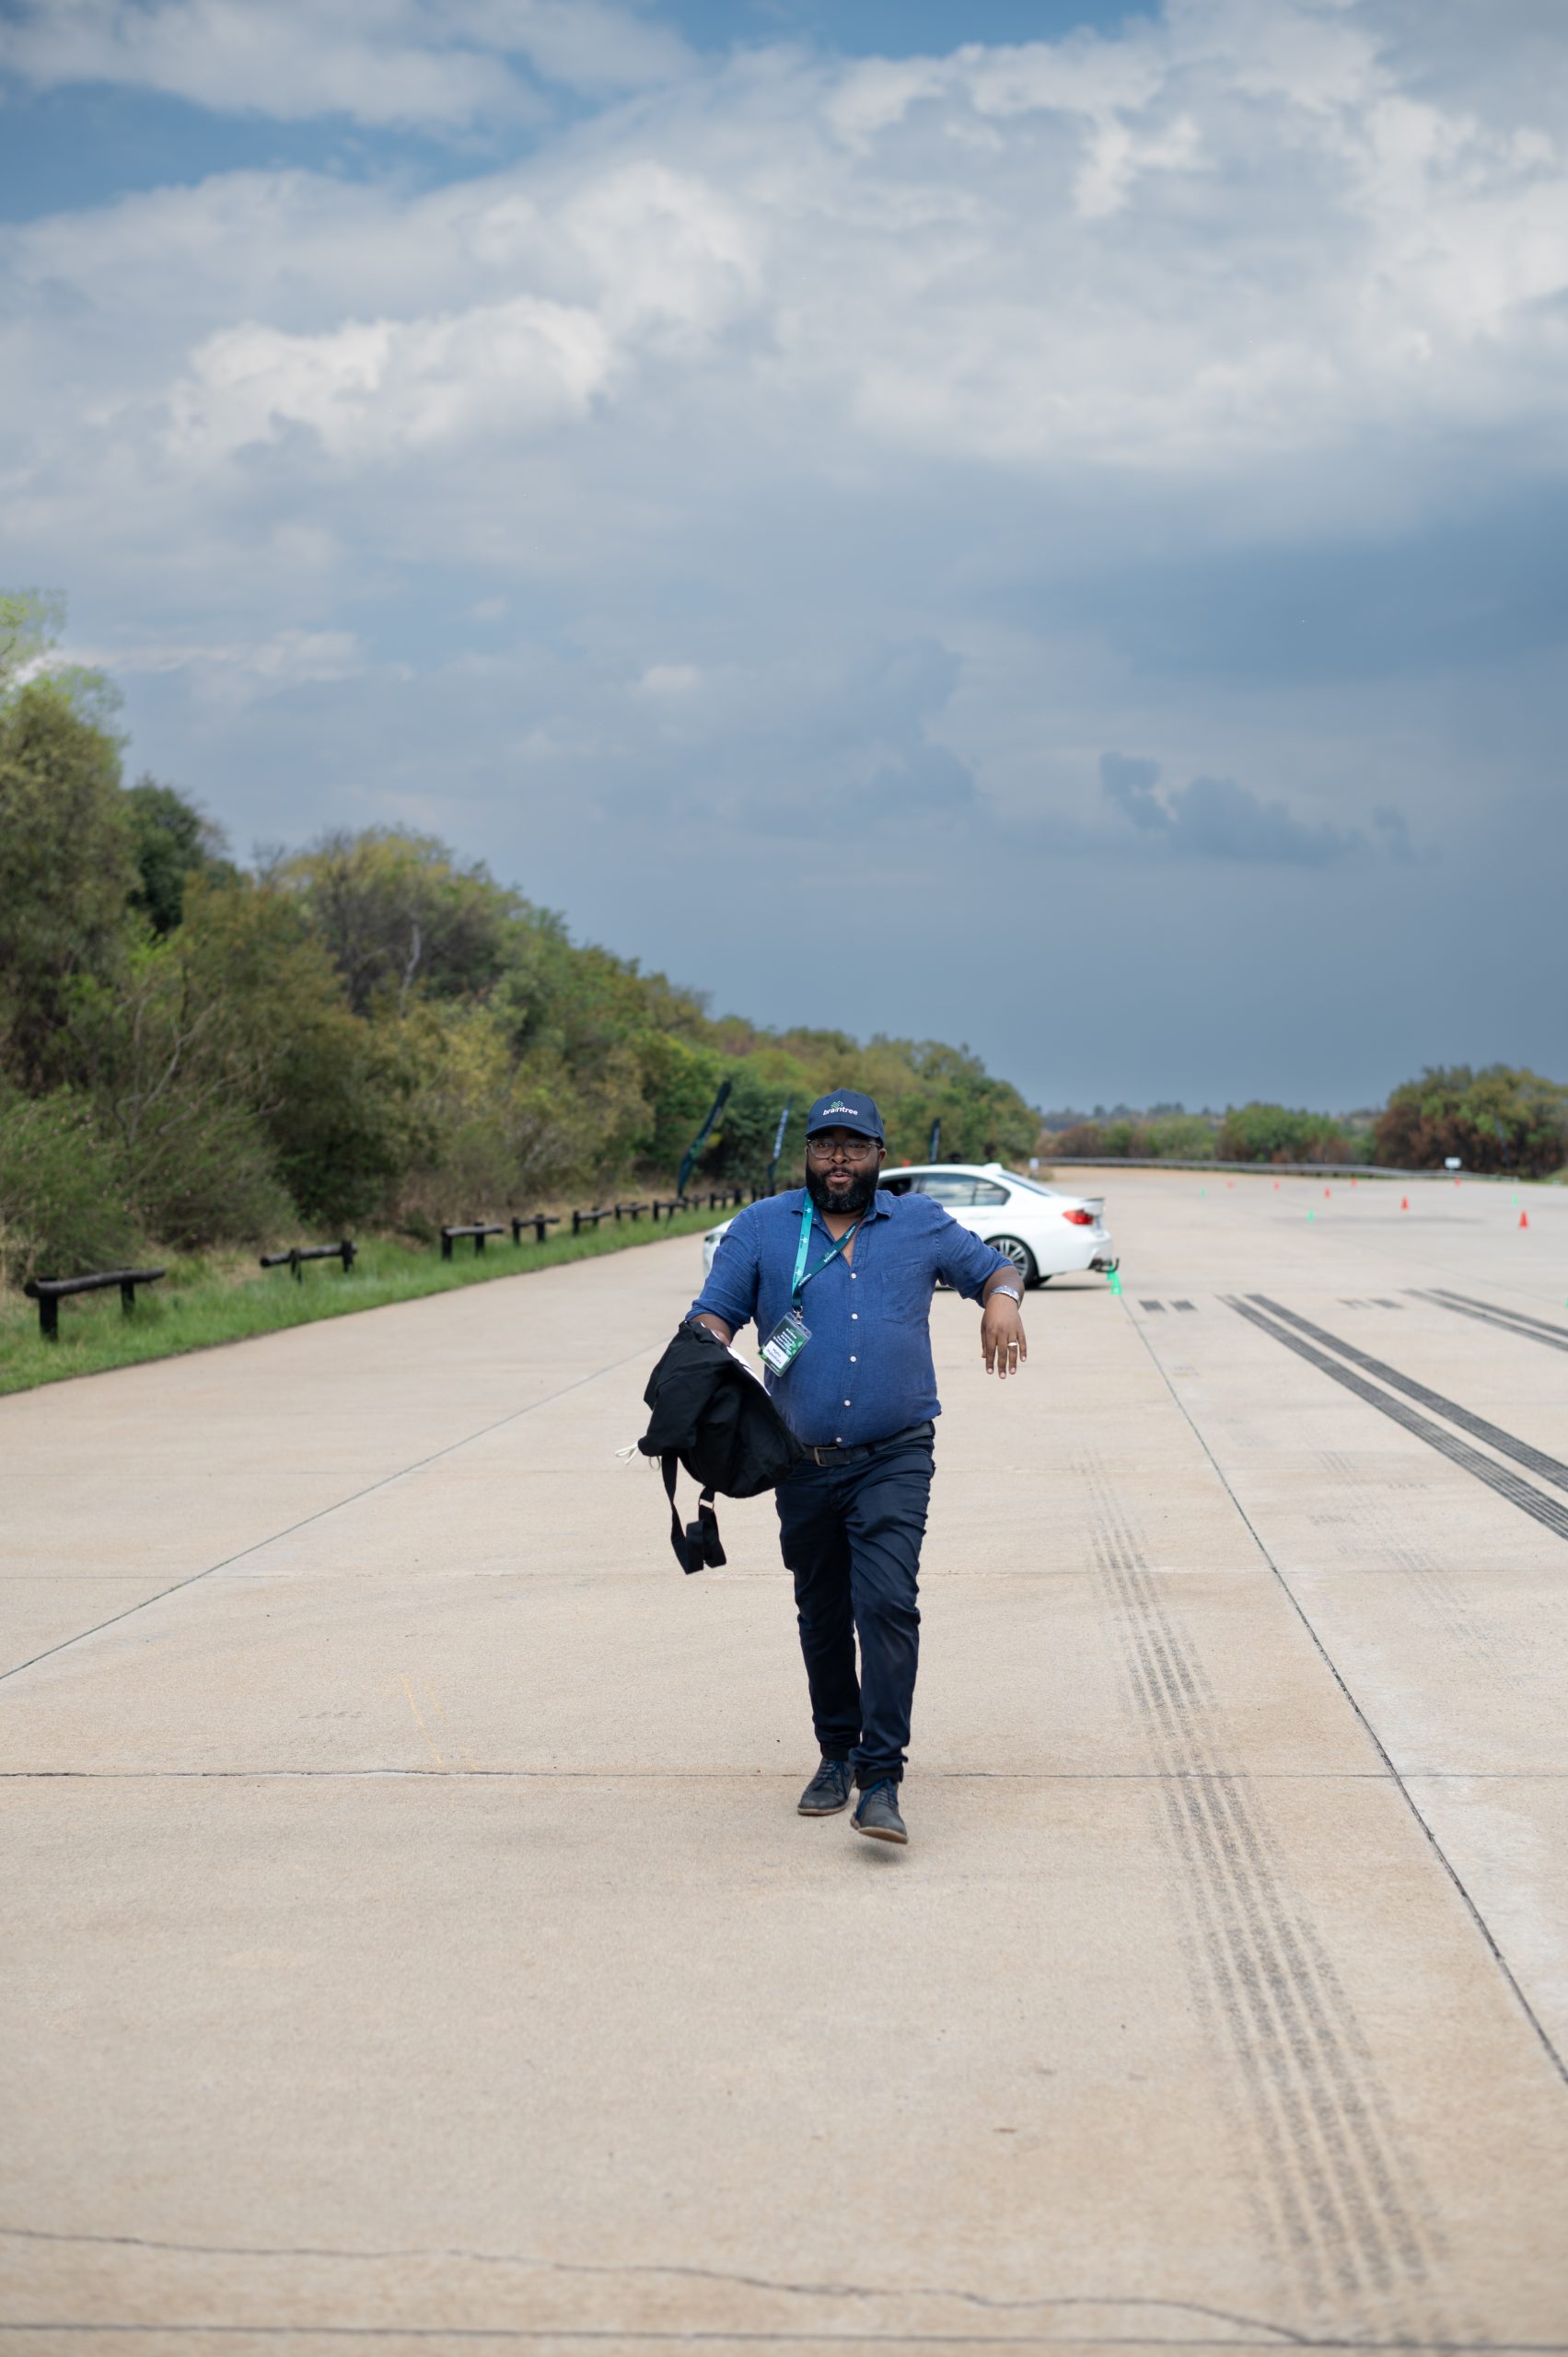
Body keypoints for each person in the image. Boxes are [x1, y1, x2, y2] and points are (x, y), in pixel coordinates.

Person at [686, 1089, 1027, 1845]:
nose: (837, 1160)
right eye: (823, 1146)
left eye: (853, 1146)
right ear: (807, 1154)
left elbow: (994, 1271)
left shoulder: (917, 1222)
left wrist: (1001, 1302)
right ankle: (834, 1756)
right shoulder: (764, 1226)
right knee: (822, 1613)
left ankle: (881, 1777)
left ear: (880, 1154)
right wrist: (701, 1349)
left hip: (895, 1454)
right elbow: (714, 1310)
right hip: (799, 1460)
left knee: (886, 1605)